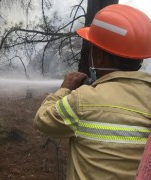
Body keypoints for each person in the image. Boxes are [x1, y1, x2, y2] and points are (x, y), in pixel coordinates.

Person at [33, 4, 151, 180]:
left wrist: (65, 88)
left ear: (100, 55)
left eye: (92, 49)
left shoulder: (84, 100)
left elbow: (43, 119)